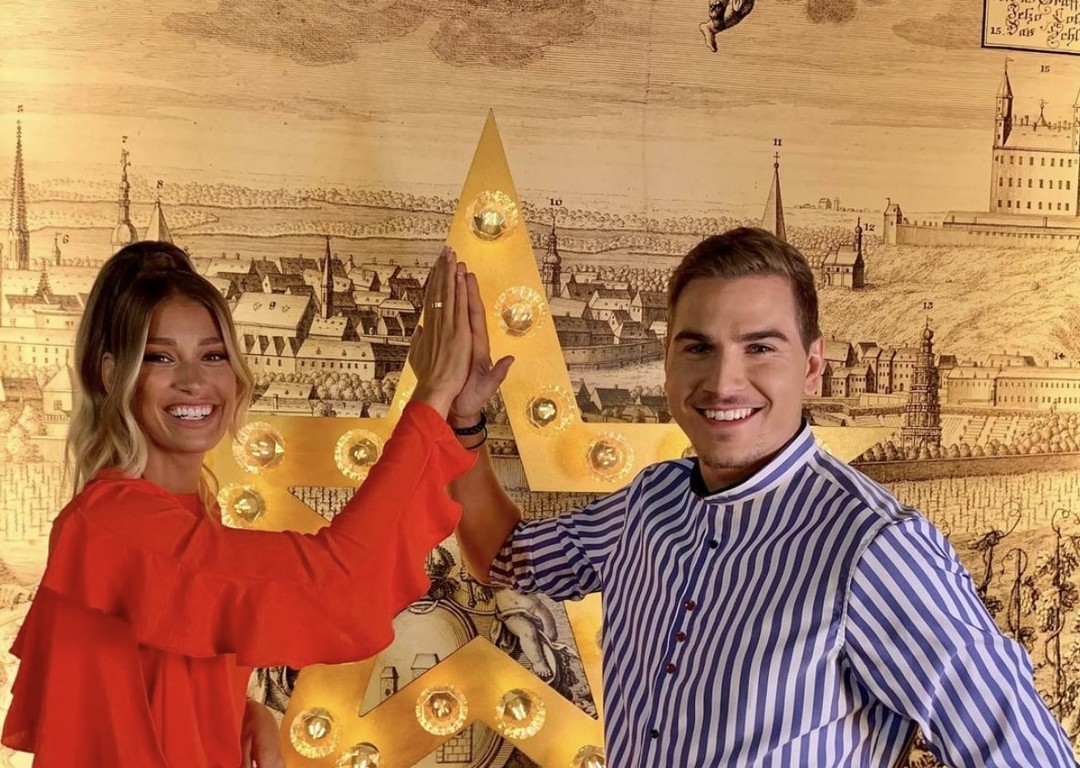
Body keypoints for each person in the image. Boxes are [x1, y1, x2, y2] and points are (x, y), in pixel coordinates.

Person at [449, 227, 1077, 766]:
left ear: (812, 366)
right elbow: (502, 557)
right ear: (667, 362)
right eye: (699, 347)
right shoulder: (649, 503)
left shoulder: (876, 550)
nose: (724, 382)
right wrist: (463, 420)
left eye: (760, 348)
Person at [2, 240, 482, 766]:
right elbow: (335, 586)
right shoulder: (114, 524)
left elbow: (156, 680)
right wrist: (430, 399)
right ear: (113, 375)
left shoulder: (184, 514)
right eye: (161, 357)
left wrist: (242, 711)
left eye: (214, 356)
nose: (194, 381)